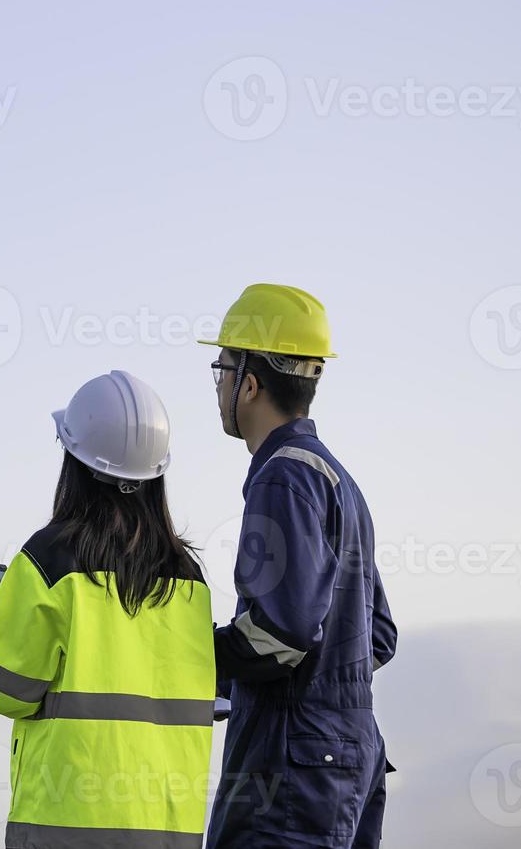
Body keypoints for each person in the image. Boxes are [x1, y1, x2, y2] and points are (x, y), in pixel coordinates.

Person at [0, 371, 215, 849]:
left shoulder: (48, 560)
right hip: (168, 833)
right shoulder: (190, 579)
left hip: (65, 830)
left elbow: (9, 691)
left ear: (74, 463)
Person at [200, 284, 397, 848]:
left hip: (292, 770)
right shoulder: (339, 481)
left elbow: (280, 634)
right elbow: (378, 635)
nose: (218, 384)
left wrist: (190, 658)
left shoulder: (283, 476)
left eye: (222, 367)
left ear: (251, 383)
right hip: (348, 758)